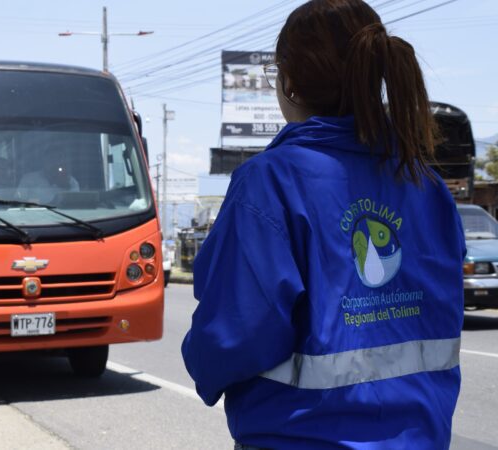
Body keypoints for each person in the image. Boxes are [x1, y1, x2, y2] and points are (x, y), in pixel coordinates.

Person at [181, 1, 465, 449]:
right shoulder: (427, 186)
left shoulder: (271, 182)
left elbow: (234, 334)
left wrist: (198, 355)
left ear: (289, 81)